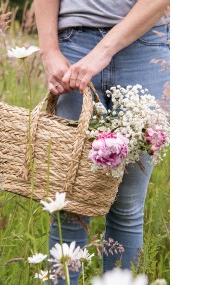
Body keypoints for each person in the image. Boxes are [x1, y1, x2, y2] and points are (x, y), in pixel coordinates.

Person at [35, 0, 170, 284]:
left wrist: (102, 52)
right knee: (69, 205)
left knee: (128, 206)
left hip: (145, 47)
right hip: (72, 44)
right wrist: (49, 51)